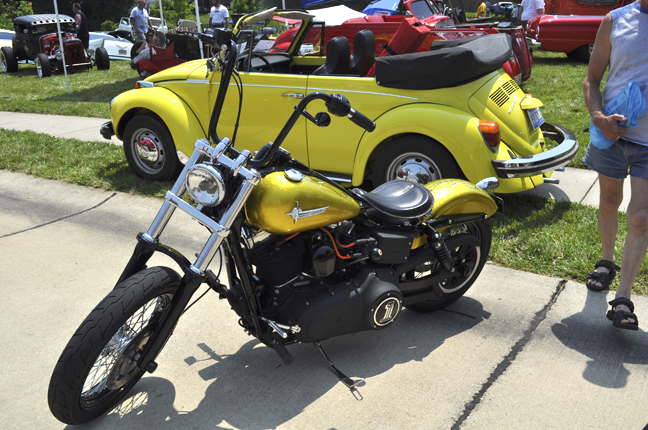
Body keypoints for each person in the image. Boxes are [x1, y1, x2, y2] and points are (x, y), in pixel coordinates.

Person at [582, 0, 648, 331]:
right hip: (612, 136)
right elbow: (592, 78)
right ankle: (606, 261)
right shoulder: (616, 20)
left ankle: (623, 299)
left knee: (640, 218)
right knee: (609, 202)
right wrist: (599, 118)